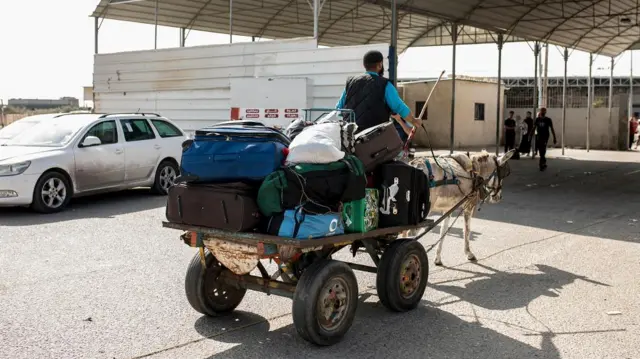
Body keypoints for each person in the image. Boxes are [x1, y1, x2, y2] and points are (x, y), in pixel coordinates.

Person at [336, 50, 420, 141]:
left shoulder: (351, 83)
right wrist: (414, 121)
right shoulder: (384, 84)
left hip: (350, 139)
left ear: (364, 65)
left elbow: (339, 109)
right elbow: (399, 107)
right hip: (374, 140)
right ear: (380, 65)